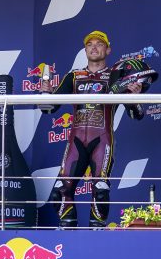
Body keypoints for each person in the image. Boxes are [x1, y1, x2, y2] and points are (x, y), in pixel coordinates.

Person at [40, 31, 143, 228]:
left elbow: (136, 114)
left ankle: (96, 236)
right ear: (85, 50)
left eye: (99, 44)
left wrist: (134, 98)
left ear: (108, 50)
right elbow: (49, 109)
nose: (94, 47)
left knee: (101, 190)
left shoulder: (116, 76)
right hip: (76, 141)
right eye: (90, 44)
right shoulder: (73, 76)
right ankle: (68, 235)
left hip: (102, 141)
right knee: (60, 191)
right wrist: (45, 92)